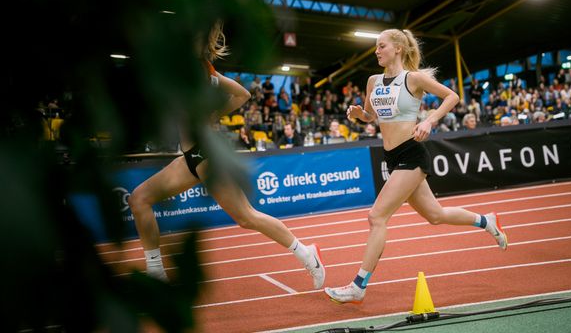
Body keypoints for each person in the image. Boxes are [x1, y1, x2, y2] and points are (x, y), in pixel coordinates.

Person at [128, 22, 325, 287]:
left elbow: (242, 94)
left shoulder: (199, 70)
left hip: (207, 153)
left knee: (246, 217)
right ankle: (156, 273)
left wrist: (212, 112)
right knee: (139, 199)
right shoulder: (196, 68)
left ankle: (306, 254)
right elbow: (240, 94)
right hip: (190, 157)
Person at [324, 28, 507, 304]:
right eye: (376, 47)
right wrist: (359, 114)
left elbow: (452, 97)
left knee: (376, 217)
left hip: (412, 153)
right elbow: (372, 117)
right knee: (435, 215)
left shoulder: (414, 78)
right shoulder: (373, 81)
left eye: (381, 46)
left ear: (397, 48)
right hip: (393, 157)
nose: (376, 51)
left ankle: (358, 285)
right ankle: (486, 221)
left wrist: (429, 121)